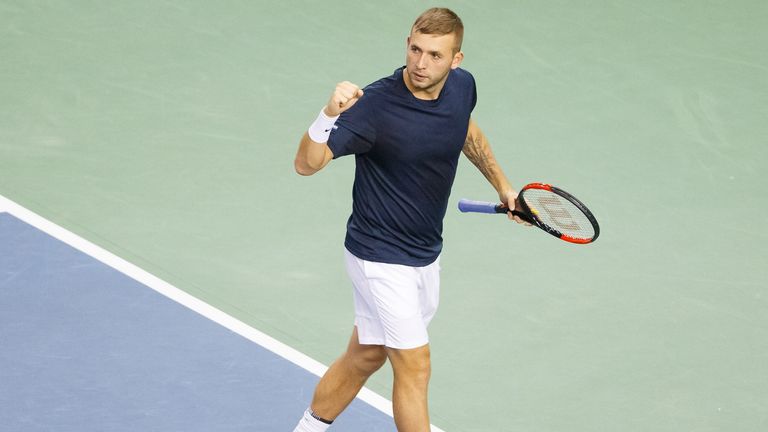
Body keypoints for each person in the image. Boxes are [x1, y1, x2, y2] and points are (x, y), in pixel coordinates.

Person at [292, 7, 526, 432]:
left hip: (424, 255)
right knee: (415, 366)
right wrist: (327, 115)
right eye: (415, 50)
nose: (421, 63)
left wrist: (503, 187)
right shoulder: (374, 106)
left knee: (366, 355)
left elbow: (465, 130)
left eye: (435, 55)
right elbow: (307, 164)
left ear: (456, 60)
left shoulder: (462, 88)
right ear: (407, 44)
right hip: (378, 256)